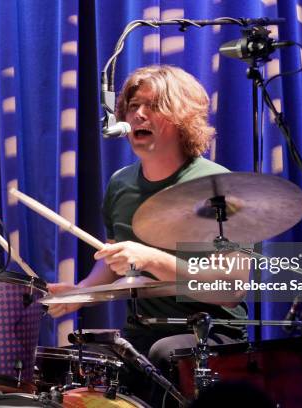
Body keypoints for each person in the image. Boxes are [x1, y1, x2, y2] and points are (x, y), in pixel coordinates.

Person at [48, 65, 250, 366]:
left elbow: (230, 289)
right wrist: (80, 292)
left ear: (183, 116)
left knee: (163, 355)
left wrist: (151, 259)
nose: (138, 114)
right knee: (77, 360)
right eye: (132, 106)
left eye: (153, 106)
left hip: (210, 331)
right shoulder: (121, 183)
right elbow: (114, 262)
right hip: (143, 330)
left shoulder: (217, 186)